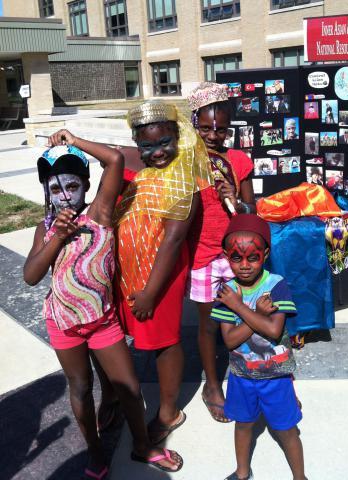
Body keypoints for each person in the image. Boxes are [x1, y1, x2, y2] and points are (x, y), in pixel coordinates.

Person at [23, 131, 184, 477]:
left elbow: (115, 159)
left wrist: (73, 139)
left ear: (85, 183)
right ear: (46, 195)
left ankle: (142, 444)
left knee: (129, 386)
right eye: (55, 190)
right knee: (80, 388)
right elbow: (31, 276)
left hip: (101, 321)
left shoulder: (99, 213)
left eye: (72, 185)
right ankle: (95, 454)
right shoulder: (45, 228)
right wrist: (57, 238)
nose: (65, 196)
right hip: (64, 323)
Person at [112, 101, 212, 446]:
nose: (157, 153)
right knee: (127, 337)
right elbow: (113, 157)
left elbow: (173, 239)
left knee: (164, 342)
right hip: (130, 272)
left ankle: (170, 411)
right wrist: (73, 141)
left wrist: (152, 291)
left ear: (178, 135)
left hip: (160, 277)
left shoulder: (184, 176)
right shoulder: (137, 168)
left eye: (165, 142)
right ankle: (115, 397)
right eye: (147, 146)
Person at [210, 214, 306, 480]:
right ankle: (242, 473)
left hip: (276, 377)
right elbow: (229, 341)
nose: (244, 266)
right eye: (236, 258)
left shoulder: (276, 285)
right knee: (243, 426)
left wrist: (240, 308)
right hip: (242, 377)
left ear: (265, 254)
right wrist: (257, 315)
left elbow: (274, 330)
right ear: (225, 255)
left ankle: (300, 477)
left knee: (286, 430)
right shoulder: (227, 291)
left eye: (252, 258)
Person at [188, 82, 256, 423]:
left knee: (242, 315)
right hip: (202, 257)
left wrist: (237, 199)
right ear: (194, 123)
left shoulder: (240, 160)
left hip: (233, 255)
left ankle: (251, 373)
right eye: (205, 129)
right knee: (208, 325)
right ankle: (212, 386)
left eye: (221, 130)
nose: (214, 136)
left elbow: (251, 212)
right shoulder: (186, 161)